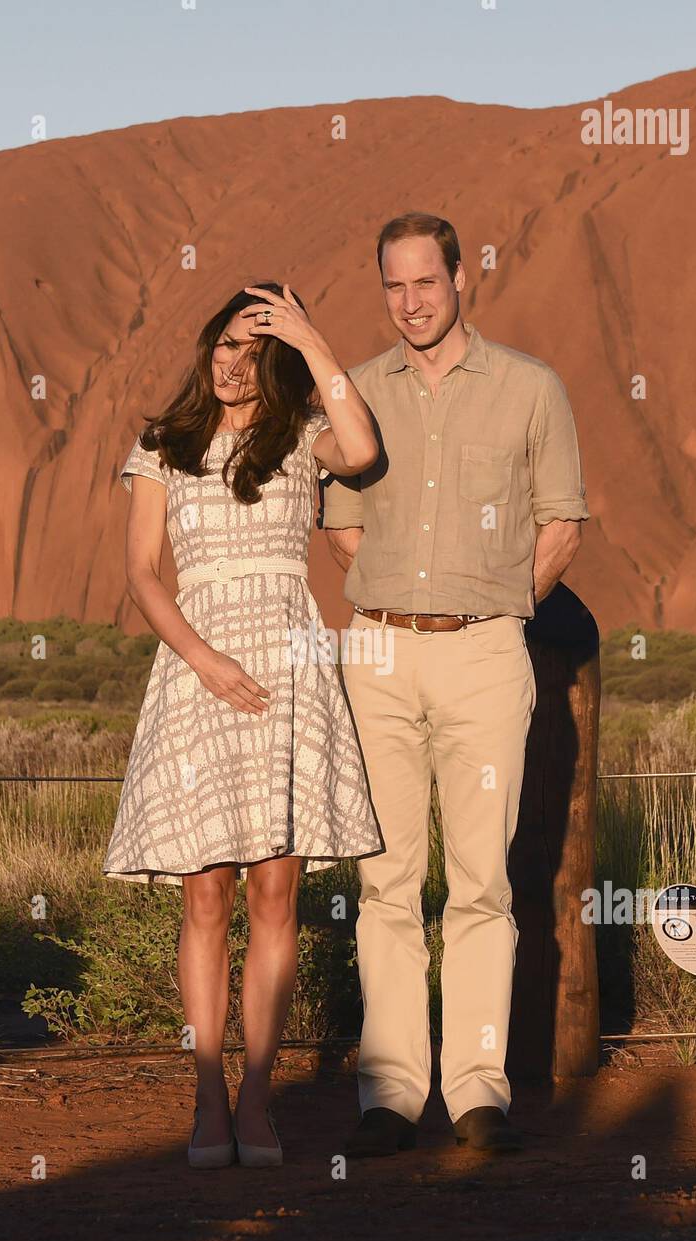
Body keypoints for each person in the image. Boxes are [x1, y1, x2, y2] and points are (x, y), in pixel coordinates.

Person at [319, 213, 590, 1159]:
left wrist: (497, 606)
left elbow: (562, 520)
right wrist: (399, 600)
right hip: (382, 653)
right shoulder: (357, 393)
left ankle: (479, 1090)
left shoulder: (529, 388)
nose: (410, 303)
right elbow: (344, 527)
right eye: (393, 287)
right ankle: (391, 1091)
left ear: (462, 277)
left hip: (484, 653)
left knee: (480, 883)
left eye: (426, 283)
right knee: (386, 880)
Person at [103, 282, 383, 1169]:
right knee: (205, 896)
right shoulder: (162, 445)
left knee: (274, 896)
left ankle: (259, 1099)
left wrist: (312, 337)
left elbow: (366, 448)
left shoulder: (301, 435)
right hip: (197, 672)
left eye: (253, 349)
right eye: (224, 344)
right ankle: (206, 1099)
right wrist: (202, 656)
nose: (232, 363)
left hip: (289, 672)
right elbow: (143, 572)